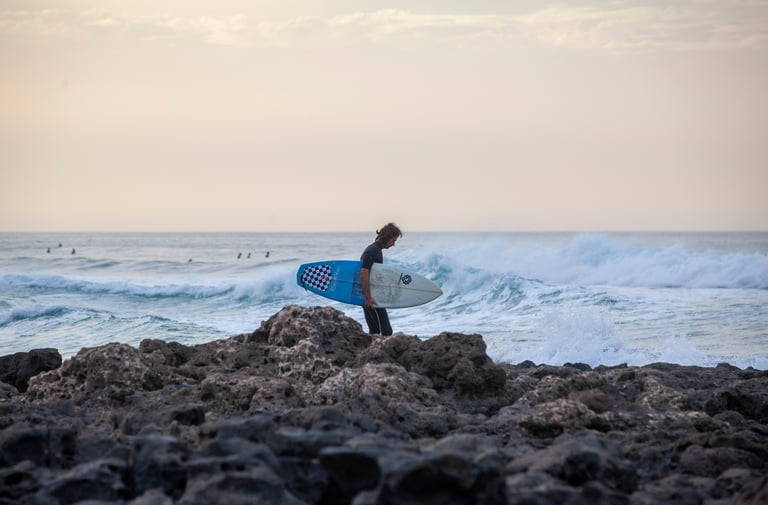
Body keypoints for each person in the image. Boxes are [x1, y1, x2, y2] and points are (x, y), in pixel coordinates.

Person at [360, 222, 402, 336]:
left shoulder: (376, 250)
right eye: (393, 240)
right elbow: (364, 272)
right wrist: (368, 297)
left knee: (374, 331)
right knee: (386, 332)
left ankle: (372, 348)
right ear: (386, 238)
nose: (393, 244)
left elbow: (373, 273)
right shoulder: (373, 250)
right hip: (371, 298)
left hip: (371, 296)